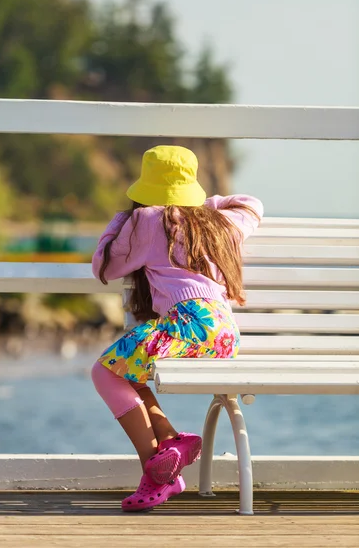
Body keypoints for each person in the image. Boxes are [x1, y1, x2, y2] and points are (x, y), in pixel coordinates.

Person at [91, 145, 263, 511]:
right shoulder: (222, 223)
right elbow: (252, 204)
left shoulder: (149, 220)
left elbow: (103, 267)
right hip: (224, 333)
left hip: (188, 323)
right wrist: (203, 204)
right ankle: (170, 440)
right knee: (128, 373)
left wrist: (121, 220)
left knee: (104, 373)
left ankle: (155, 474)